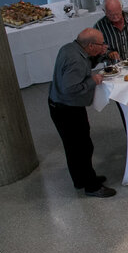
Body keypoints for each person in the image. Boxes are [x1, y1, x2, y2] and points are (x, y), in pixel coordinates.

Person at [48, 28, 116, 198]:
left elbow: (87, 64)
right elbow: (70, 88)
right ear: (91, 45)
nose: (104, 46)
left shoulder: (70, 48)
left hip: (60, 105)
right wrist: (92, 81)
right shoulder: (76, 61)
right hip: (67, 109)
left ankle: (81, 180)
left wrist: (100, 55)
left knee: (74, 147)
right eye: (101, 44)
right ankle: (92, 186)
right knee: (82, 148)